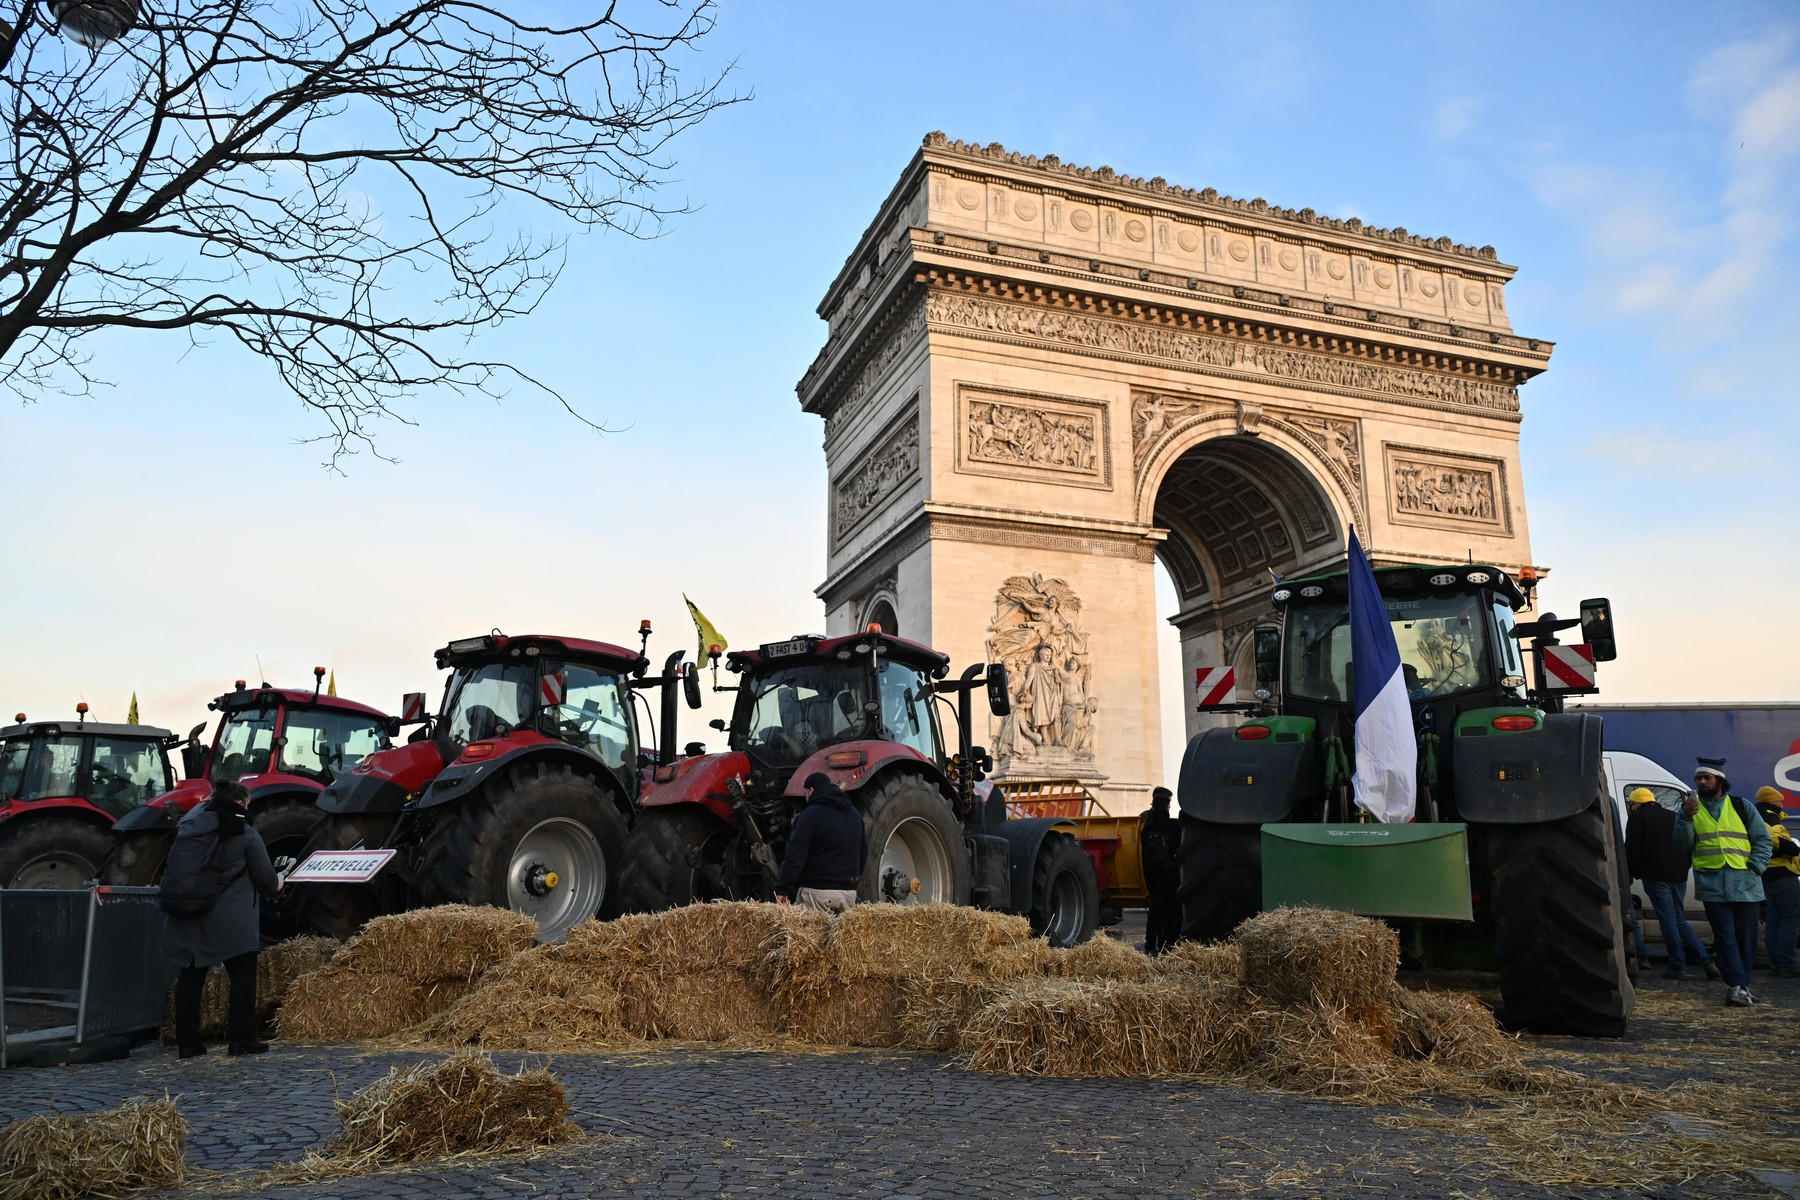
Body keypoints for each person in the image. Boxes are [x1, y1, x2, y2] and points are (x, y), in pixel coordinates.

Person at [162, 778, 282, 1057]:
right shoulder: (244, 832)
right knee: (242, 977)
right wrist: (281, 880)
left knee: (191, 978)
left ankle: (188, 1044)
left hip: (187, 913)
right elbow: (266, 878)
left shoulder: (188, 829)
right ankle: (240, 1039)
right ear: (240, 803)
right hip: (230, 917)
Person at [1675, 758, 1773, 1006]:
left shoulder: (1742, 806)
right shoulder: (1689, 809)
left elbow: (1763, 840)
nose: (1701, 782)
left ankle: (1743, 986)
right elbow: (1682, 845)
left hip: (1746, 885)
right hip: (1713, 887)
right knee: (1726, 938)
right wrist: (1685, 818)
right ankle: (1736, 987)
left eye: (1706, 778)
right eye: (1698, 779)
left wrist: (1756, 868)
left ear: (1720, 780)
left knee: (1746, 940)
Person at [1624, 787, 1718, 981]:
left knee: (1667, 919)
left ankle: (1677, 965)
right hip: (1679, 875)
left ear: (1637, 803)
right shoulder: (1671, 815)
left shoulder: (1638, 818)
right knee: (1678, 918)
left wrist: (1630, 873)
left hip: (1656, 875)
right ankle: (1706, 961)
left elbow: (1632, 849)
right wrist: (1684, 867)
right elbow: (1686, 842)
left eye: (1632, 804)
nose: (1632, 807)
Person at [776, 772, 867, 914]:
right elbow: (862, 854)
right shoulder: (855, 815)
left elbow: (795, 856)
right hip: (847, 894)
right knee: (839, 937)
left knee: (810, 935)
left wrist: (783, 888)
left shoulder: (810, 815)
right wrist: (849, 882)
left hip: (817, 892)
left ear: (811, 790)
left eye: (806, 792)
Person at [1754, 787, 1799, 976]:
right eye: (1780, 801)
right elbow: (1773, 838)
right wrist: (1791, 848)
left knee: (1774, 918)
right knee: (1790, 917)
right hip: (1782, 873)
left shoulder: (1757, 815)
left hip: (1767, 874)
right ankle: (1787, 963)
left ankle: (1775, 962)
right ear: (1772, 801)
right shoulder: (1769, 815)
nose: (1782, 804)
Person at [1140, 787, 1181, 956]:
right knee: (1169, 910)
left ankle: (1150, 945)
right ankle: (1167, 944)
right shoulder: (1172, 826)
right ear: (1167, 805)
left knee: (1155, 909)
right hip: (1168, 874)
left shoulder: (1145, 824)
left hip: (1150, 873)